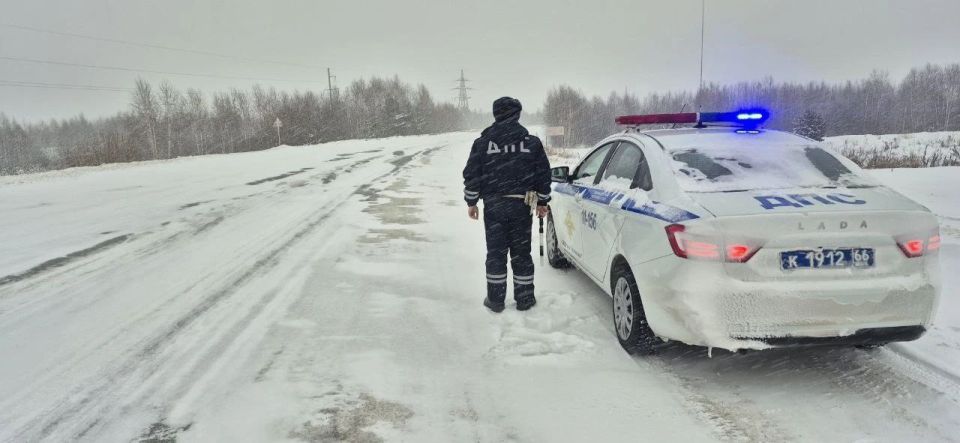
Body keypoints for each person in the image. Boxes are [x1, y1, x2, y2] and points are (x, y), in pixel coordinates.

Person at [463, 97, 551, 313]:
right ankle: (525, 299)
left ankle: (495, 300)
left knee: (495, 254)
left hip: (494, 207)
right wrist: (542, 201)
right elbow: (543, 174)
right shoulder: (531, 143)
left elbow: (472, 174)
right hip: (521, 206)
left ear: (496, 115)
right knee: (521, 253)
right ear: (517, 115)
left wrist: (472, 202)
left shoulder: (483, 143)